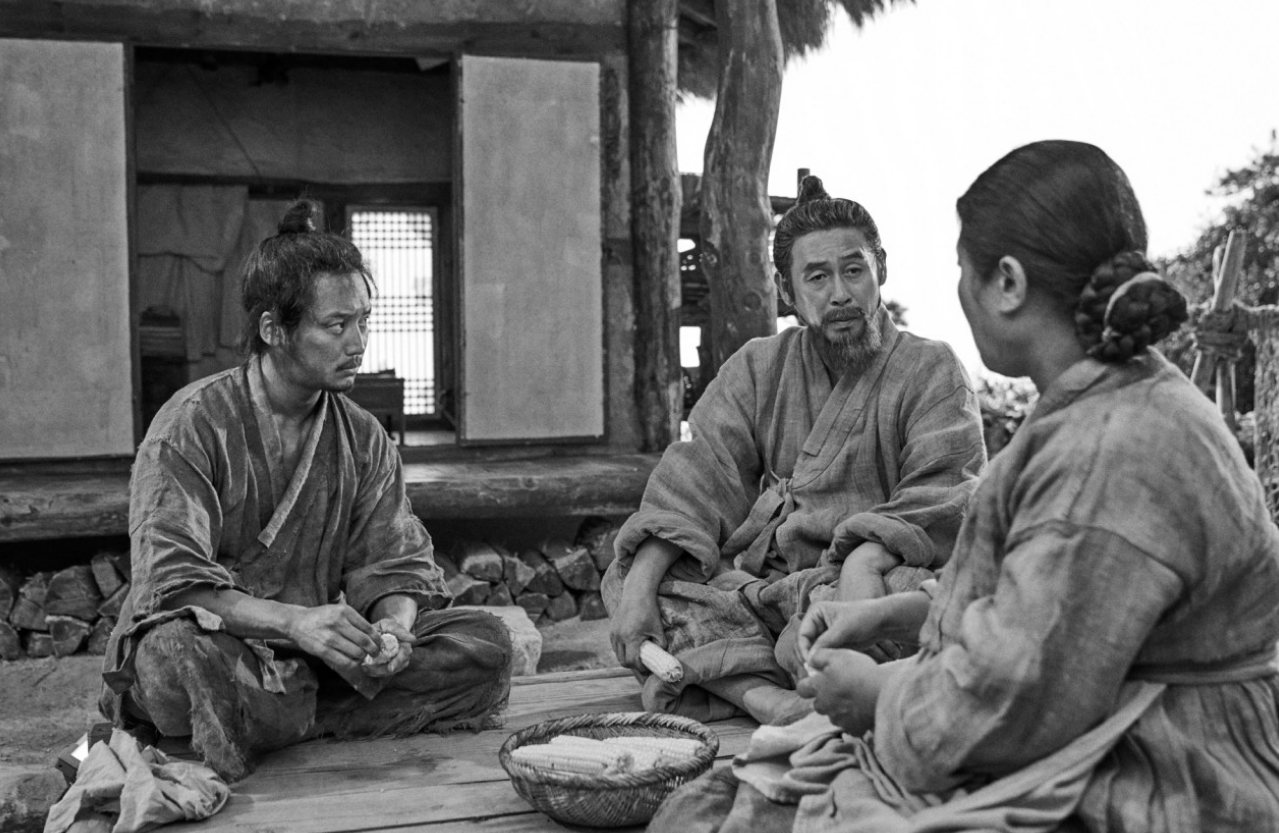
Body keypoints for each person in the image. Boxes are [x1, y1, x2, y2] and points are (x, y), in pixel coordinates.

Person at [652, 140, 1279, 832]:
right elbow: (1030, 598)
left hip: (1166, 763)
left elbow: (1013, 699)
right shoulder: (1104, 404)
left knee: (729, 812)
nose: (840, 292)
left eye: (961, 269)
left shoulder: (1110, 449)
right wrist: (894, 617)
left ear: (1006, 283)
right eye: (817, 277)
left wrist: (877, 697)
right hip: (1071, 711)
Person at [99, 201, 512, 782]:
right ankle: (294, 710)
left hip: (312, 655)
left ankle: (284, 717)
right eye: (336, 326)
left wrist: (392, 629)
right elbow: (173, 587)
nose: (358, 342)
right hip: (228, 645)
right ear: (273, 330)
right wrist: (296, 623)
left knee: (485, 643)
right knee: (177, 650)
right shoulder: (191, 423)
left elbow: (393, 564)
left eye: (364, 321)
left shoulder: (362, 437)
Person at [603, 176, 986, 724]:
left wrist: (860, 565)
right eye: (818, 277)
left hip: (861, 583)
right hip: (764, 591)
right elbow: (699, 479)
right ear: (787, 291)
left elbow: (945, 497)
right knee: (629, 578)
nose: (840, 293)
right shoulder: (759, 366)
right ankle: (765, 698)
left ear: (880, 268)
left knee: (930, 599)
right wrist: (641, 590)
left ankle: (737, 673)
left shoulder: (932, 369)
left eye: (853, 270)